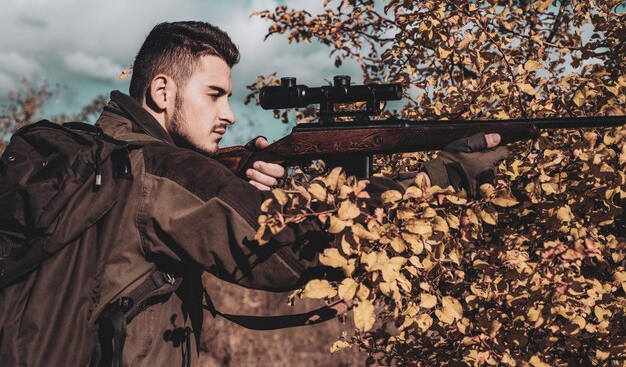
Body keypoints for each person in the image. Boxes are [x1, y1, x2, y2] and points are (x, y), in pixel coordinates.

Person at [0, 21, 508, 366]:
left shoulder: (88, 155)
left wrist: (248, 186)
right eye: (214, 94)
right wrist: (445, 177)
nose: (229, 116)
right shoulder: (166, 171)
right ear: (161, 92)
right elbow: (291, 253)